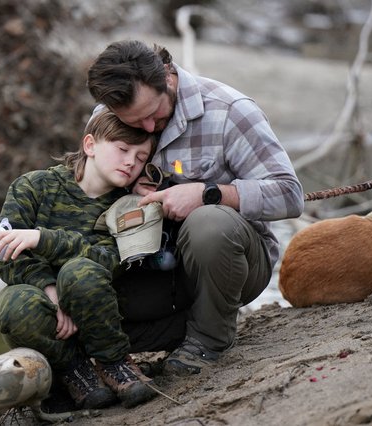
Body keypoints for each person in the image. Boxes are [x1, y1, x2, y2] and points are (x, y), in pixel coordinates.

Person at [87, 40, 305, 376]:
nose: (147, 128)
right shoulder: (106, 116)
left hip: (232, 260)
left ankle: (207, 339)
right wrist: (126, 184)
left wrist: (208, 194)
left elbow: (290, 195)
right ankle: (157, 335)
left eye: (152, 114)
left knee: (208, 224)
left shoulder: (231, 111)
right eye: (133, 121)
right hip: (151, 263)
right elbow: (85, 190)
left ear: (166, 76)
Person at [0, 108, 159, 409]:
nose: (131, 161)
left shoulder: (128, 206)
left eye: (141, 157)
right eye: (122, 149)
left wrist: (42, 238)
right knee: (14, 304)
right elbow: (2, 253)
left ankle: (113, 363)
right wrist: (50, 290)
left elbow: (108, 259)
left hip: (104, 312)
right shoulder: (33, 187)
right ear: (90, 145)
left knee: (80, 272)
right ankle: (74, 371)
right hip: (49, 311)